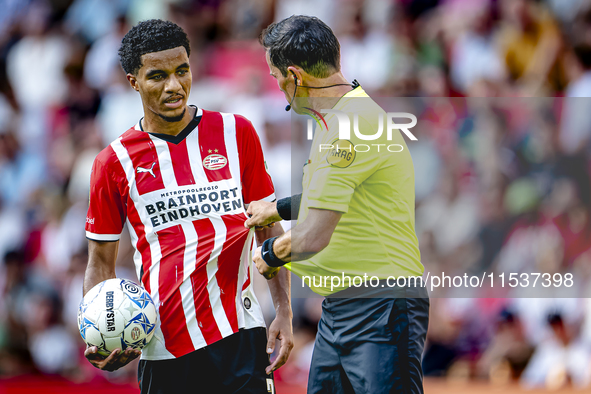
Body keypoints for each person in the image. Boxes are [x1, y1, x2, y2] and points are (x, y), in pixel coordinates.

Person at [83, 19, 293, 394]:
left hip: (241, 336)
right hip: (163, 348)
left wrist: (285, 311)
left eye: (182, 71)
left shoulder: (237, 132)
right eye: (157, 76)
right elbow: (100, 261)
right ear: (133, 82)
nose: (174, 86)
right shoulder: (113, 162)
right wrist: (97, 331)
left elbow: (268, 227)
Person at [245, 15, 429, 393]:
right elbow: (334, 196)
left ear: (294, 76)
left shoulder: (350, 125)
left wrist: (270, 252)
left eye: (275, 75)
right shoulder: (342, 118)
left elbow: (313, 235)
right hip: (342, 308)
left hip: (382, 306)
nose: (277, 86)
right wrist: (275, 209)